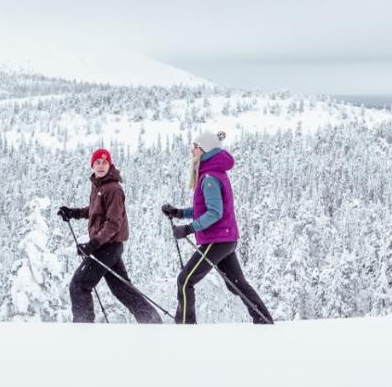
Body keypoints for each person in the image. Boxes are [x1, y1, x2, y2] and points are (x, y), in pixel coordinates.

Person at [162, 131, 273, 324]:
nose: (192, 150)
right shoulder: (211, 174)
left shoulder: (210, 178)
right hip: (225, 239)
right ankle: (263, 320)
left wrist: (189, 229)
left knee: (185, 280)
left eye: (195, 146)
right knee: (236, 284)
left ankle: (185, 328)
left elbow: (214, 213)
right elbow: (203, 208)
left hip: (217, 240)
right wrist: (179, 212)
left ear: (205, 150)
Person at [57, 148, 162, 324]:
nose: (100, 166)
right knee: (122, 289)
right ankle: (152, 322)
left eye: (104, 163)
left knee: (79, 285)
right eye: (97, 162)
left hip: (108, 246)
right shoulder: (100, 186)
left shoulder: (113, 189)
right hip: (109, 246)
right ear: (92, 165)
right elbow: (95, 211)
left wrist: (93, 244)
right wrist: (73, 213)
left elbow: (114, 223)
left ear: (110, 165)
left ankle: (83, 328)